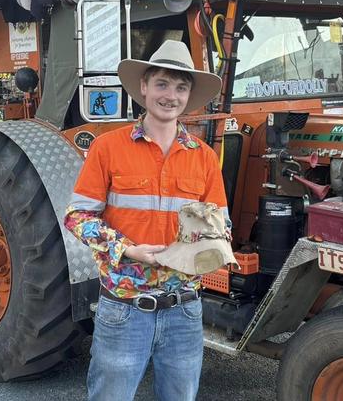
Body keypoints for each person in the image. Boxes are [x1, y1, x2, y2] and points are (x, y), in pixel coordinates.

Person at [64, 39, 229, 401]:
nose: (171, 95)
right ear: (143, 87)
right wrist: (128, 250)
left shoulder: (203, 157)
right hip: (125, 306)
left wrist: (211, 246)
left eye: (181, 87)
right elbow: (77, 216)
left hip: (185, 309)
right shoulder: (108, 148)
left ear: (189, 95)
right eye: (162, 84)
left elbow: (220, 226)